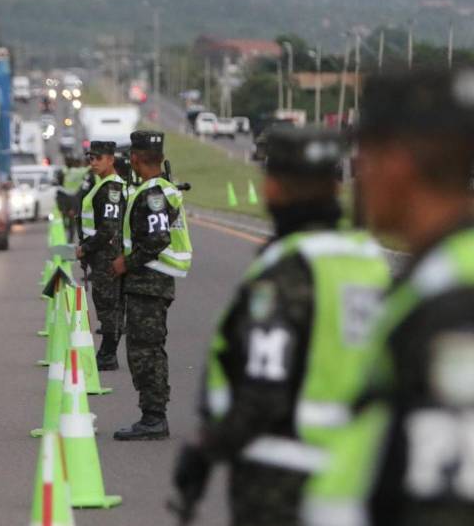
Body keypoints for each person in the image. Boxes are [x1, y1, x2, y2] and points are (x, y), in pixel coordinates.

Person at [172, 127, 391, 526]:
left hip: (283, 481)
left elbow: (263, 390)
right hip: (358, 474)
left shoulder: (287, 271)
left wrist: (206, 450)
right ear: (336, 186)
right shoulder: (368, 260)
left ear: (272, 188)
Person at [303, 70, 474, 526]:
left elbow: (445, 495)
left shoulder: (454, 304)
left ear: (397, 162)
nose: (359, 175)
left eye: (365, 157)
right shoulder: (435, 274)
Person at [112, 130, 193, 441]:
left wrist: (125, 263)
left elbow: (157, 239)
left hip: (150, 280)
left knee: (145, 352)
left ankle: (154, 417)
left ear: (134, 159)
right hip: (148, 281)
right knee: (146, 349)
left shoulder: (154, 194)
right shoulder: (155, 189)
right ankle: (152, 415)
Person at [76, 141, 126, 371]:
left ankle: (107, 354)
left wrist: (86, 248)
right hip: (101, 254)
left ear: (110, 159)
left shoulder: (111, 188)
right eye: (91, 158)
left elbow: (108, 228)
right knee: (107, 304)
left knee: (108, 305)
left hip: (107, 255)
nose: (93, 162)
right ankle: (108, 353)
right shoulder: (102, 185)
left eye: (98, 158)